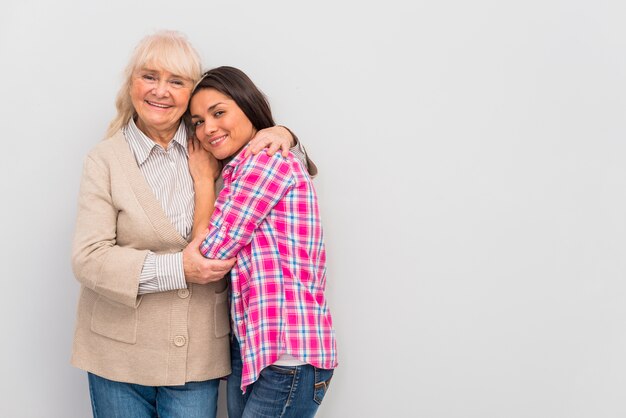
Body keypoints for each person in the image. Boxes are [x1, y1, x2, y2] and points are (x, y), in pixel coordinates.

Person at [70, 31, 310, 418]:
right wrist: (179, 269)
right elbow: (88, 259)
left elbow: (275, 171)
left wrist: (284, 134)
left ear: (190, 92)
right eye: (149, 76)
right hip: (116, 356)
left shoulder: (215, 144)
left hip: (197, 356)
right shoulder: (105, 159)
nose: (160, 91)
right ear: (131, 81)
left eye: (176, 81)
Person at [188, 66, 337, 418]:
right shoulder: (245, 169)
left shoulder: (264, 164)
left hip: (287, 357)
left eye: (218, 112)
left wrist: (203, 182)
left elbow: (210, 253)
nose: (208, 128)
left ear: (248, 106)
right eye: (196, 121)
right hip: (258, 350)